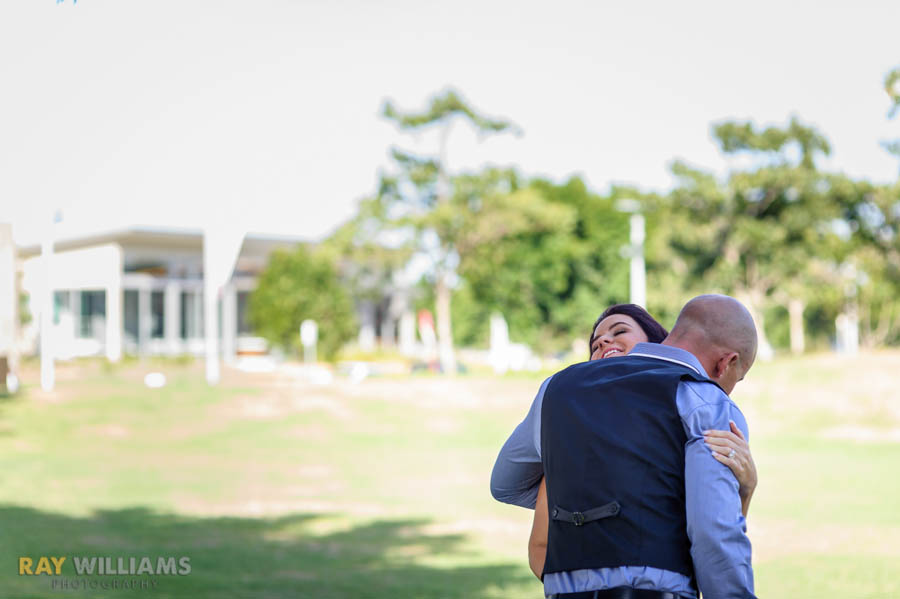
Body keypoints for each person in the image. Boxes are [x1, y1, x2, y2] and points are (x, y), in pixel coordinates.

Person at [490, 295, 759, 598]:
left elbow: (504, 484)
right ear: (727, 363)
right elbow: (714, 533)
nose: (605, 342)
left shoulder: (555, 390)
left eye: (619, 332)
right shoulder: (707, 401)